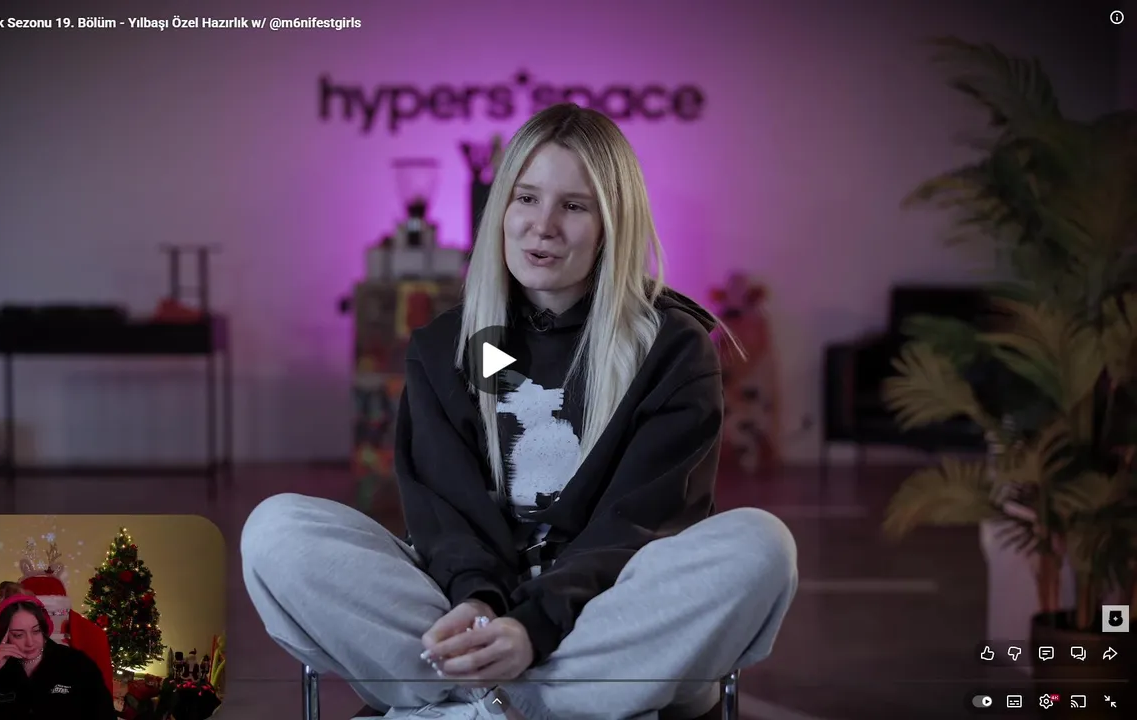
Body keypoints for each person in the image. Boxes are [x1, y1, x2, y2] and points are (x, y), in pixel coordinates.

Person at [241, 102, 799, 720]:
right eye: (527, 198)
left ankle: (479, 708)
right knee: (277, 530)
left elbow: (638, 523)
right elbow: (447, 514)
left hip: (608, 615)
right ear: (500, 208)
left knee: (761, 545)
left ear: (613, 223)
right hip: (476, 609)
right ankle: (530, 702)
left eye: (575, 206)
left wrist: (534, 627)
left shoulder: (669, 349)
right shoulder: (457, 347)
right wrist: (478, 605)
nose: (543, 226)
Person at [0, 595, 115, 720]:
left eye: (35, 631)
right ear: (4, 637)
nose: (30, 642)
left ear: (44, 628)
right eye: (18, 635)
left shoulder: (76, 664)